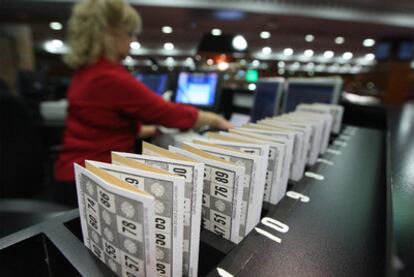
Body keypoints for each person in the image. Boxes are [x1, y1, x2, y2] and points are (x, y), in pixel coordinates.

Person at [54, 0, 233, 206]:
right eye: (130, 33)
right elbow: (169, 113)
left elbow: (108, 130)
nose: (133, 40)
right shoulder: (108, 77)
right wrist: (217, 120)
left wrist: (154, 130)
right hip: (90, 183)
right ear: (111, 32)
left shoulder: (86, 72)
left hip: (74, 176)